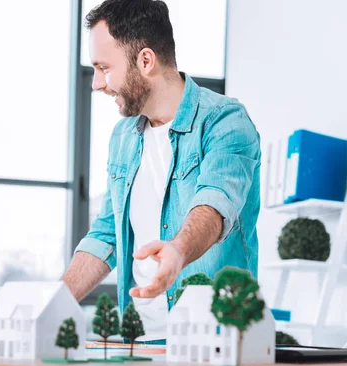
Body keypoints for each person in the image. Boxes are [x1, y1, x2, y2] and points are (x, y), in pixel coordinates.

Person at [63, 0, 261, 341]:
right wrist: (54, 302)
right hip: (138, 341)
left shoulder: (225, 121)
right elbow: (107, 234)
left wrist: (179, 249)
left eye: (104, 68)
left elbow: (216, 203)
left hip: (212, 339)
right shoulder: (123, 137)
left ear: (145, 60)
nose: (96, 84)